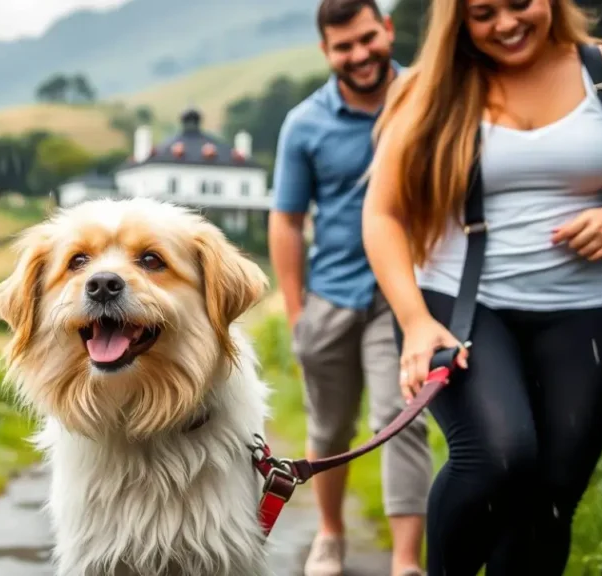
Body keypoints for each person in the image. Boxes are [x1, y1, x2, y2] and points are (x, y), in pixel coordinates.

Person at [362, 0, 602, 571]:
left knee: (551, 497)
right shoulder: (429, 88)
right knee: (497, 456)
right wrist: (417, 321)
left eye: (519, 3)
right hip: (460, 304)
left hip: (589, 310)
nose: (506, 23)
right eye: (483, 12)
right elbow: (382, 216)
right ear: (458, 21)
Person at [267, 0, 431, 574]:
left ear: (387, 29)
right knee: (330, 429)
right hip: (331, 295)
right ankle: (331, 535)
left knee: (400, 416)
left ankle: (406, 562)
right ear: (326, 51)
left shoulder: (428, 97)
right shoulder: (304, 123)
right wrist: (295, 313)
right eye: (344, 46)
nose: (359, 55)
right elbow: (286, 221)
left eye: (367, 39)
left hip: (405, 296)